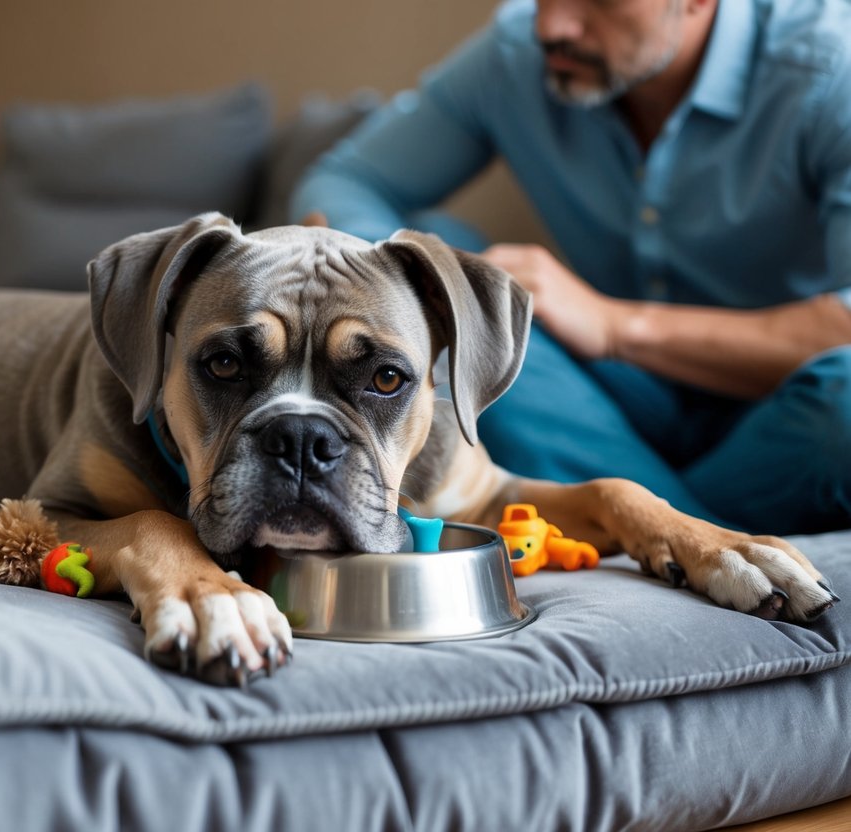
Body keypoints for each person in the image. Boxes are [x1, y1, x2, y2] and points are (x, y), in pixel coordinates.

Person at [290, 0, 851, 534]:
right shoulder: (517, 55)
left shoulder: (830, 67)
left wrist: (614, 325)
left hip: (777, 406)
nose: (552, 26)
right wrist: (385, 288)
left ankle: (645, 521)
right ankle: (666, 531)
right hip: (606, 398)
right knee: (473, 299)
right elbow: (345, 180)